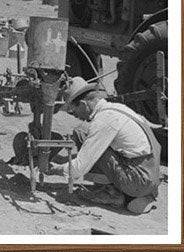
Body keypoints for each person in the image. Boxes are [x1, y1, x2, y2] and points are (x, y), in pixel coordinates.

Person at [58, 77, 161, 214]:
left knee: (88, 140)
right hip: (151, 175)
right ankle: (138, 194)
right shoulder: (117, 108)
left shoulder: (104, 121)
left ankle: (111, 193)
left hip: (139, 179)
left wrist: (55, 169)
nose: (74, 116)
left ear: (83, 104)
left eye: (73, 111)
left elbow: (79, 168)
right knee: (84, 133)